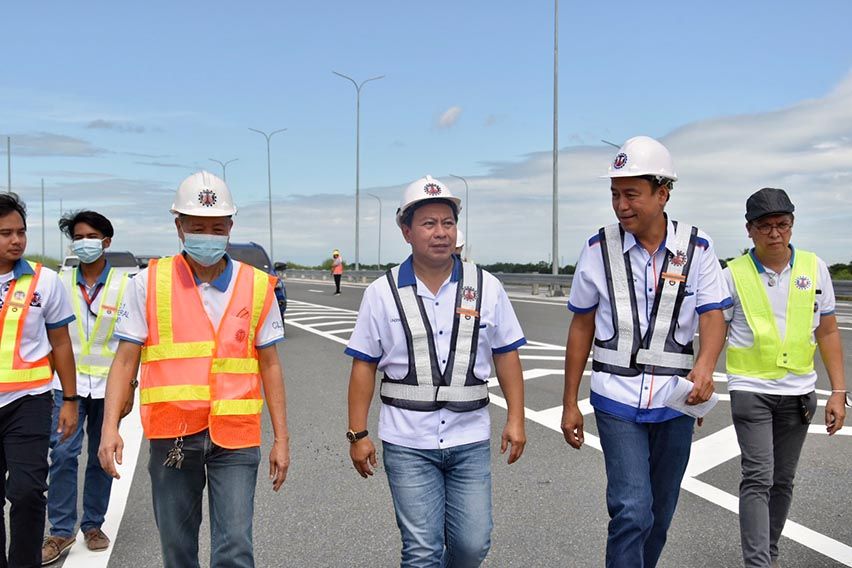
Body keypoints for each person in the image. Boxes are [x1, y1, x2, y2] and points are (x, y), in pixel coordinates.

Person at [98, 171, 290, 568]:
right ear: (179, 227)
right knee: (178, 548)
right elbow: (124, 360)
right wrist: (109, 427)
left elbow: (270, 365)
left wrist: (282, 439)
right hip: (174, 436)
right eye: (197, 226)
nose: (208, 235)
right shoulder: (147, 283)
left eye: (217, 227)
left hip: (236, 438)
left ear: (230, 227)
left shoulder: (257, 286)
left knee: (235, 547)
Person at [560, 137, 731, 568]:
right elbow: (581, 326)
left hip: (675, 402)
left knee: (659, 515)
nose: (621, 205)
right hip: (616, 398)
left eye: (631, 194)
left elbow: (713, 316)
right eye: (615, 194)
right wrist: (569, 404)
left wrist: (705, 368)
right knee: (632, 509)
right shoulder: (598, 249)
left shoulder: (699, 249)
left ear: (663, 193)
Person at [346, 174, 527, 567]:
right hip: (407, 442)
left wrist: (516, 417)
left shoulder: (487, 287)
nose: (441, 232)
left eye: (448, 223)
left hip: (469, 439)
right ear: (406, 231)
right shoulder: (381, 293)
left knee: (471, 546)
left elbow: (507, 354)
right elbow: (364, 365)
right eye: (429, 224)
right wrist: (357, 433)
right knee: (421, 551)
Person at [724, 187, 847, 568]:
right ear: (750, 230)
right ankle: (758, 563)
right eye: (765, 226)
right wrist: (701, 386)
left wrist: (838, 391)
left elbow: (827, 332)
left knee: (782, 481)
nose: (775, 233)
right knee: (758, 477)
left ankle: (769, 553)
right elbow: (712, 332)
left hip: (799, 392)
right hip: (750, 390)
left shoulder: (814, 268)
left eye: (782, 224)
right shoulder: (732, 275)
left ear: (792, 225)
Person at [42, 211, 129, 564]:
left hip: (110, 386)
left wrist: (131, 386)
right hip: (68, 387)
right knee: (62, 455)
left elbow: (132, 342)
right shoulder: (58, 281)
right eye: (79, 237)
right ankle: (61, 531)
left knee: (101, 456)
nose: (85, 242)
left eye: (92, 236)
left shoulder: (126, 285)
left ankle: (93, 524)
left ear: (106, 241)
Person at [0, 193, 78, 568]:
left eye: (21, 232)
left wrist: (70, 399)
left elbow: (61, 342)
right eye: (5, 234)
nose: (16, 240)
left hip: (28, 401)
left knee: (28, 492)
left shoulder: (45, 281)